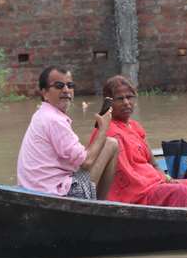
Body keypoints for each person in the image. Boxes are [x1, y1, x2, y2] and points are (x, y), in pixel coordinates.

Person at [91, 75, 187, 208]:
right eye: (120, 99)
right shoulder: (108, 131)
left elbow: (153, 164)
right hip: (135, 193)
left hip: (152, 182)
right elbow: (127, 177)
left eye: (129, 97)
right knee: (179, 191)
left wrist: (167, 179)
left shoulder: (135, 126)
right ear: (109, 102)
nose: (126, 102)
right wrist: (161, 182)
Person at [17, 66, 118, 200]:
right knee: (111, 144)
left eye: (70, 85)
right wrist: (103, 129)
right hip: (54, 194)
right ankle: (100, 207)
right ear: (45, 93)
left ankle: (99, 204)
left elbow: (78, 158)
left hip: (38, 189)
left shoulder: (42, 114)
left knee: (100, 147)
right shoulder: (54, 120)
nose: (66, 90)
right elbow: (86, 162)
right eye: (59, 86)